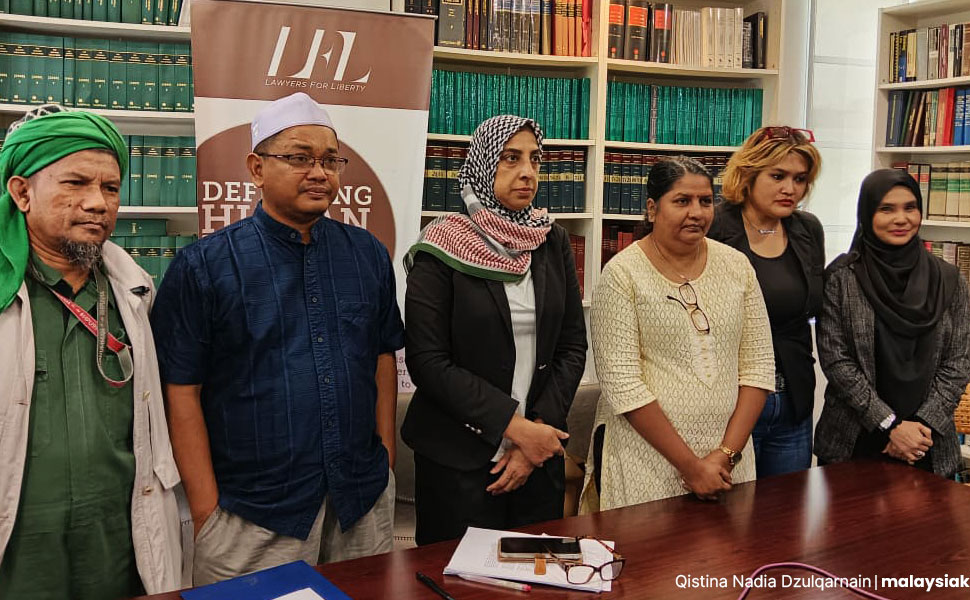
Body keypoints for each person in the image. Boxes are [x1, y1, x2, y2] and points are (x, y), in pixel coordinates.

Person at [151, 92, 404, 584]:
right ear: (256, 168)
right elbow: (181, 390)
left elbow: (381, 358)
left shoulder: (366, 254)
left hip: (361, 502)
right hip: (252, 514)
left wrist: (386, 463)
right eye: (299, 158)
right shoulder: (204, 266)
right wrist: (205, 511)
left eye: (330, 160)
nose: (319, 172)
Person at [0, 105, 183, 598]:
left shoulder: (135, 290)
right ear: (22, 192)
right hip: (20, 549)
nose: (98, 203)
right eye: (76, 183)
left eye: (110, 188)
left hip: (117, 541)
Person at [402, 115, 588, 546]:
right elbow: (428, 361)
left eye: (535, 159)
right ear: (484, 164)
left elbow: (572, 345)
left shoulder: (551, 240)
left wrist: (535, 435)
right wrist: (513, 427)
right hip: (459, 459)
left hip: (538, 454)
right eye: (510, 158)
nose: (527, 172)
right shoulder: (443, 245)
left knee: (535, 572)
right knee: (457, 575)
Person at [582, 156, 774, 512]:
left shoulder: (737, 266)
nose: (696, 212)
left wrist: (725, 455)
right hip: (646, 461)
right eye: (682, 201)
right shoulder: (622, 274)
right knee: (651, 549)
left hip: (728, 462)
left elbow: (758, 368)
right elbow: (623, 385)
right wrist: (691, 467)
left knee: (729, 548)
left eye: (705, 201)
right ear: (652, 209)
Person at [815, 168, 970, 477]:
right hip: (854, 442)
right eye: (886, 209)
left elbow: (960, 361)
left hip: (926, 443)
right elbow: (837, 361)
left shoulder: (949, 279)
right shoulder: (842, 278)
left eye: (910, 207)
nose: (901, 219)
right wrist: (890, 425)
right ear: (867, 214)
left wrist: (920, 427)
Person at [709, 125, 824, 478]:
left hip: (792, 400)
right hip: (729, 400)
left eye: (800, 179)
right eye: (778, 176)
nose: (790, 188)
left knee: (786, 509)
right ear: (749, 174)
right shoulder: (713, 225)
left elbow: (812, 308)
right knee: (727, 508)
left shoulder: (807, 229)